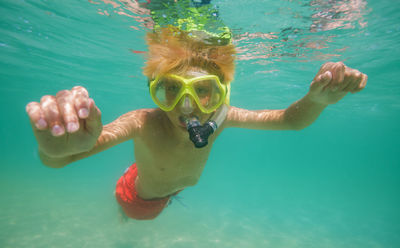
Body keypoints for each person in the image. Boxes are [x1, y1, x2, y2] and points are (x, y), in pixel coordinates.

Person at [25, 7, 367, 221]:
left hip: (169, 191)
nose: (185, 107)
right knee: (131, 214)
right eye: (171, 90)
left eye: (202, 92)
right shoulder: (143, 123)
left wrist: (317, 100)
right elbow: (58, 161)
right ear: (155, 91)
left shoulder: (221, 117)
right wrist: (55, 146)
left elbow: (290, 120)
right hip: (136, 198)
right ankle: (124, 208)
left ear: (221, 94)